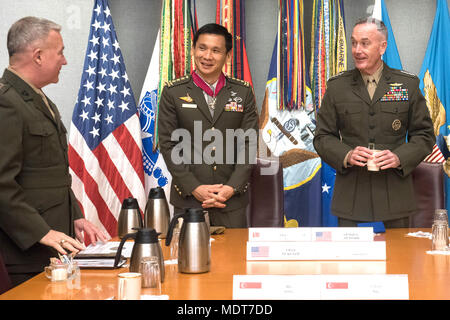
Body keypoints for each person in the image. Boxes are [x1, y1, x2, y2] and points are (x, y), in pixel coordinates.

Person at [0, 17, 107, 287]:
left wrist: (76, 216)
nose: (65, 60)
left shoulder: (38, 99)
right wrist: (42, 232)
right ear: (38, 56)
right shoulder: (6, 102)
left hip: (51, 249)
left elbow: (49, 173)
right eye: (60, 52)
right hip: (25, 253)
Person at [313, 17, 435, 228]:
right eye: (353, 43)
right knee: (349, 259)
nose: (357, 50)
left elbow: (424, 135)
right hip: (351, 192)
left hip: (395, 192)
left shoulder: (407, 84)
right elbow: (322, 137)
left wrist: (399, 157)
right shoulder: (337, 86)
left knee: (399, 257)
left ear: (382, 46)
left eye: (365, 43)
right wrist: (347, 155)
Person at [158, 23, 259, 228]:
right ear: (193, 50)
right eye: (202, 48)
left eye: (216, 50)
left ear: (227, 56)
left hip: (230, 201)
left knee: (233, 259)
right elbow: (168, 145)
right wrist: (194, 187)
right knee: (188, 259)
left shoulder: (243, 92)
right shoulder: (173, 92)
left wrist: (231, 187)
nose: (207, 56)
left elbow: (248, 144)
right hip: (188, 199)